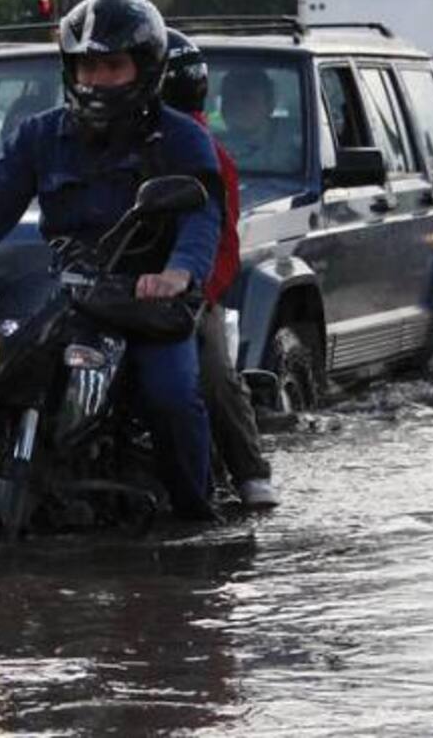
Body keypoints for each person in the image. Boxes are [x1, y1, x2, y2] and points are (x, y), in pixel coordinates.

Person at [0, 0, 223, 520]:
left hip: (141, 300)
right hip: (65, 292)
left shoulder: (181, 138)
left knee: (169, 393)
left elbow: (201, 215)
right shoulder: (41, 136)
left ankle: (197, 521)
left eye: (111, 66)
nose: (95, 80)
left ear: (144, 69)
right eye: (85, 67)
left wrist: (176, 272)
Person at [161, 27, 278, 508]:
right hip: (107, 288)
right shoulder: (95, 147)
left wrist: (195, 288)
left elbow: (222, 242)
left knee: (209, 370)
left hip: (186, 293)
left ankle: (249, 471)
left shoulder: (206, 154)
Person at [218, 68, 299, 173]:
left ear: (269, 104)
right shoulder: (210, 147)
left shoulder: (297, 146)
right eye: (229, 99)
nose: (237, 106)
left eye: (246, 98)